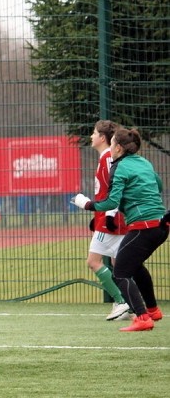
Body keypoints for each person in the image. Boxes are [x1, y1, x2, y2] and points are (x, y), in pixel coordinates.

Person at [71, 127, 168, 331]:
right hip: (161, 224)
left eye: (113, 143)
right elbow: (158, 185)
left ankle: (142, 317)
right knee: (134, 265)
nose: (112, 146)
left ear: (119, 148)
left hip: (144, 226)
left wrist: (87, 204)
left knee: (121, 271)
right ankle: (152, 310)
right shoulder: (144, 162)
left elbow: (111, 201)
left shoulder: (120, 166)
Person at [85, 120, 131, 321]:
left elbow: (113, 188)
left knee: (94, 262)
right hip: (106, 217)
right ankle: (131, 304)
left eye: (94, 133)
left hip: (110, 218)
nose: (91, 136)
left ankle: (122, 301)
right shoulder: (104, 158)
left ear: (103, 138)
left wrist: (109, 215)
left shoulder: (107, 159)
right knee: (117, 263)